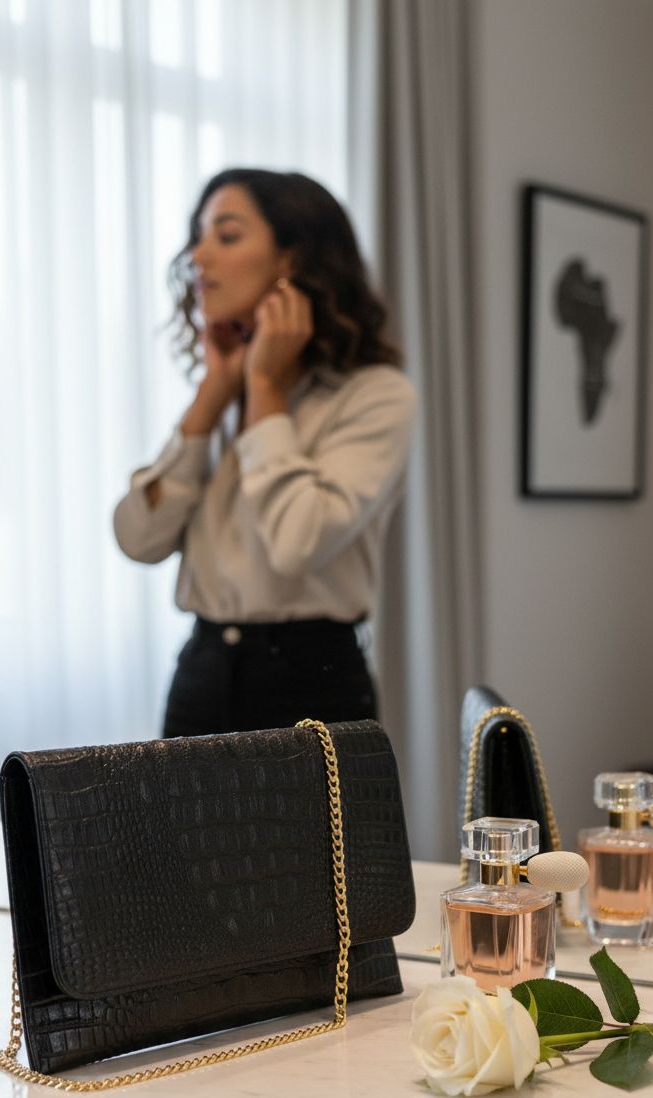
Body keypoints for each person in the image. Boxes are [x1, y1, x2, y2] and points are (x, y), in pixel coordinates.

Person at [113, 167, 416, 738]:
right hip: (200, 673)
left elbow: (296, 542)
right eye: (198, 236)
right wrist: (212, 396)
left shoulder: (375, 396)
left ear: (293, 259)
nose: (198, 257)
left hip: (313, 684)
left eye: (225, 236)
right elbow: (138, 538)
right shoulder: (225, 393)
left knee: (317, 834)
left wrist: (268, 392)